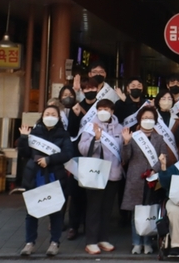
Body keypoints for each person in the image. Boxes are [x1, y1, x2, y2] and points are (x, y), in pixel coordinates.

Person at [18, 105, 73, 256]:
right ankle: (30, 243)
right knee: (31, 211)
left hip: (54, 175)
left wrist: (50, 159)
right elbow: (24, 153)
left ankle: (54, 243)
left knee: (55, 211)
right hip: (35, 176)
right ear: (42, 116)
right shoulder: (34, 133)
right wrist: (23, 138)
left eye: (53, 114)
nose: (50, 116)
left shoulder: (64, 135)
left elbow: (68, 153)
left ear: (58, 118)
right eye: (47, 113)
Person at [121, 105, 170, 254]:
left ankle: (148, 242)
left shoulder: (159, 138)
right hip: (135, 178)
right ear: (139, 120)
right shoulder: (133, 136)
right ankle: (136, 242)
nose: (147, 121)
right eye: (144, 118)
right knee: (136, 212)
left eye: (150, 118)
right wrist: (127, 143)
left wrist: (153, 169)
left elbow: (164, 157)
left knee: (150, 211)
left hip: (153, 179)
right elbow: (125, 158)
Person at [78, 99, 124, 254]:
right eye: (101, 108)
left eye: (107, 109)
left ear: (112, 111)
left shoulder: (120, 128)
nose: (103, 111)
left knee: (107, 209)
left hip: (113, 173)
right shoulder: (90, 127)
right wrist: (96, 140)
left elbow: (123, 150)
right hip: (96, 174)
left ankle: (103, 238)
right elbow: (83, 149)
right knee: (94, 208)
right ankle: (91, 240)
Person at [66, 78, 100, 241]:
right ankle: (73, 225)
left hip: (94, 154)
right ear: (83, 91)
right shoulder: (76, 106)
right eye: (86, 88)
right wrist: (76, 115)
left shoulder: (100, 107)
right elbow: (72, 132)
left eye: (93, 88)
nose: (90, 91)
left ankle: (88, 225)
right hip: (77, 154)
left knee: (91, 193)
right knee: (76, 192)